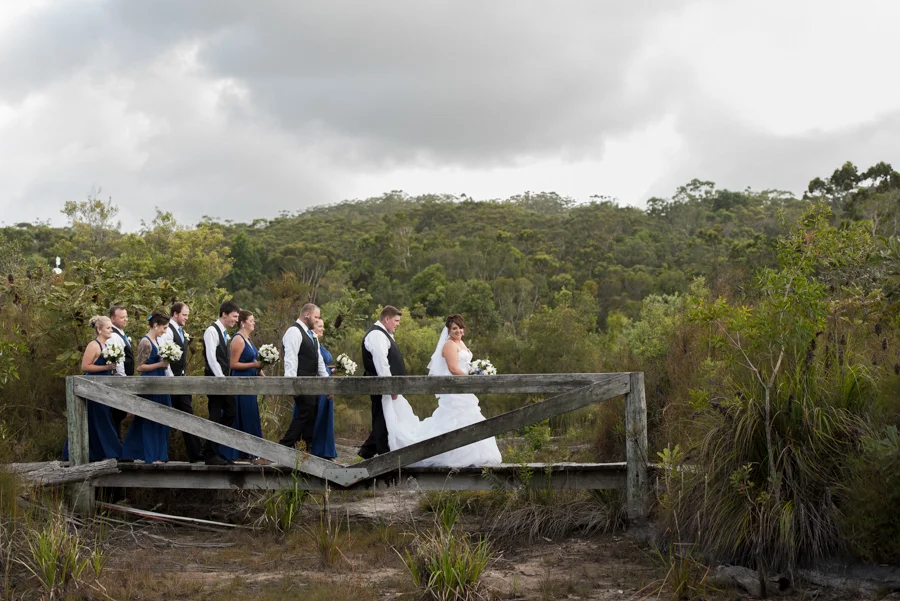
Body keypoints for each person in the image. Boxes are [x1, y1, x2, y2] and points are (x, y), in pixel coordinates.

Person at [381, 314, 502, 467]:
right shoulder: (449, 345)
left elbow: (466, 365)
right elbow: (453, 368)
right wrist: (471, 380)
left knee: (471, 419)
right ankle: (447, 454)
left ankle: (476, 455)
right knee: (456, 420)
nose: (458, 331)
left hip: (464, 387)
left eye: (460, 328)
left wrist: (478, 371)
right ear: (449, 330)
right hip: (455, 389)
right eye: (454, 328)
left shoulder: (461, 342)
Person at [62, 316, 123, 462]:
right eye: (108, 328)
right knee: (100, 418)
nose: (111, 330)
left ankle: (102, 452)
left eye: (111, 327)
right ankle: (108, 452)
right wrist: (106, 367)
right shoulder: (93, 345)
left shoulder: (106, 345)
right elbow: (85, 367)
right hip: (92, 387)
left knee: (103, 417)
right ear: (99, 330)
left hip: (104, 386)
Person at [121, 312, 173, 464]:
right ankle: (152, 455)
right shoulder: (146, 342)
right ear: (155, 325)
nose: (165, 331)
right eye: (164, 328)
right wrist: (160, 364)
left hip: (160, 382)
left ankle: (155, 454)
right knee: (150, 419)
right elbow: (140, 367)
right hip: (150, 384)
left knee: (162, 418)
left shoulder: (156, 340)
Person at [280, 303, 331, 451]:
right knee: (305, 414)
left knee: (311, 414)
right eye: (316, 317)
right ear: (306, 315)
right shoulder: (294, 332)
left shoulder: (311, 335)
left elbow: (319, 361)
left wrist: (328, 384)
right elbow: (291, 359)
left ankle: (306, 449)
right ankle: (284, 446)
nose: (317, 320)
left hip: (313, 384)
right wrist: (291, 384)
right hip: (301, 382)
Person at [158, 301, 203, 462]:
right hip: (172, 382)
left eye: (187, 315)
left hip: (181, 380)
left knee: (187, 415)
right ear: (175, 314)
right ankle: (161, 454)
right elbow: (165, 356)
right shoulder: (168, 331)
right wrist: (172, 380)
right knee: (166, 417)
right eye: (184, 315)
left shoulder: (180, 330)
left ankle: (196, 454)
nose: (186, 318)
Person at [357, 306, 404, 460]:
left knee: (384, 418)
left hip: (385, 386)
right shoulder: (377, 335)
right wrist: (390, 387)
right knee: (381, 419)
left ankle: (368, 450)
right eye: (396, 321)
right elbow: (381, 363)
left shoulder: (384, 334)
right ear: (387, 319)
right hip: (380, 386)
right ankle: (382, 455)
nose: (398, 324)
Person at [220, 310, 267, 464]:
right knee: (243, 415)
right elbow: (233, 364)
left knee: (251, 415)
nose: (254, 323)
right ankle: (242, 453)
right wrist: (254, 365)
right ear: (242, 323)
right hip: (240, 383)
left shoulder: (248, 339)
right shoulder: (238, 339)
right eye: (251, 320)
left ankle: (253, 452)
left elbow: (254, 361)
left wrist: (263, 374)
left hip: (250, 383)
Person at [201, 300, 241, 465]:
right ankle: (210, 454)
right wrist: (221, 380)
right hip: (215, 380)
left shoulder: (223, 333)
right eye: (234, 316)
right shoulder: (212, 331)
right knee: (216, 414)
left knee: (230, 412)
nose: (236, 320)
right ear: (224, 314)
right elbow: (211, 358)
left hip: (223, 380)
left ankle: (210, 449)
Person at [309, 316, 337, 460]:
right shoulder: (312, 343)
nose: (323, 329)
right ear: (312, 328)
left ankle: (325, 450)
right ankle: (318, 450)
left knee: (326, 417)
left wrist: (333, 369)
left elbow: (322, 364)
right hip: (320, 385)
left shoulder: (318, 343)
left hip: (326, 380)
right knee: (318, 417)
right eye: (320, 326)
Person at [108, 304, 133, 438]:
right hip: (119, 381)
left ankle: (117, 443)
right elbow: (118, 361)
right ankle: (116, 443)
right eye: (122, 317)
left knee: (119, 415)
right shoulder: (113, 336)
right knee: (116, 415)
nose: (126, 319)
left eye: (126, 317)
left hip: (124, 378)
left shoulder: (121, 334)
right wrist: (124, 381)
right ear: (113, 319)